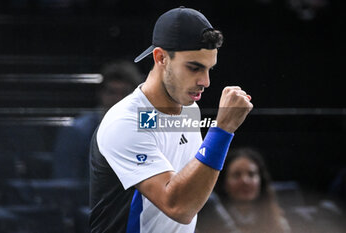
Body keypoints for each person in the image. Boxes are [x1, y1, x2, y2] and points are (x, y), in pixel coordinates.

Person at [89, 7, 253, 233]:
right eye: (194, 67)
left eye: (209, 69)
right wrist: (222, 130)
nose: (205, 81)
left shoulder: (189, 110)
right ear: (161, 58)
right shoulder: (125, 123)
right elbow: (179, 207)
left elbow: (192, 191)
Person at [52, 60, 143, 179]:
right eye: (112, 92)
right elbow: (65, 183)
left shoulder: (146, 129)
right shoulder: (78, 131)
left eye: (124, 93)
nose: (118, 99)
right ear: (101, 94)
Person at [207, 147, 291, 233]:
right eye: (236, 175)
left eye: (251, 174)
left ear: (261, 181)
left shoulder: (276, 220)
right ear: (224, 182)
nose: (245, 181)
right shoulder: (210, 219)